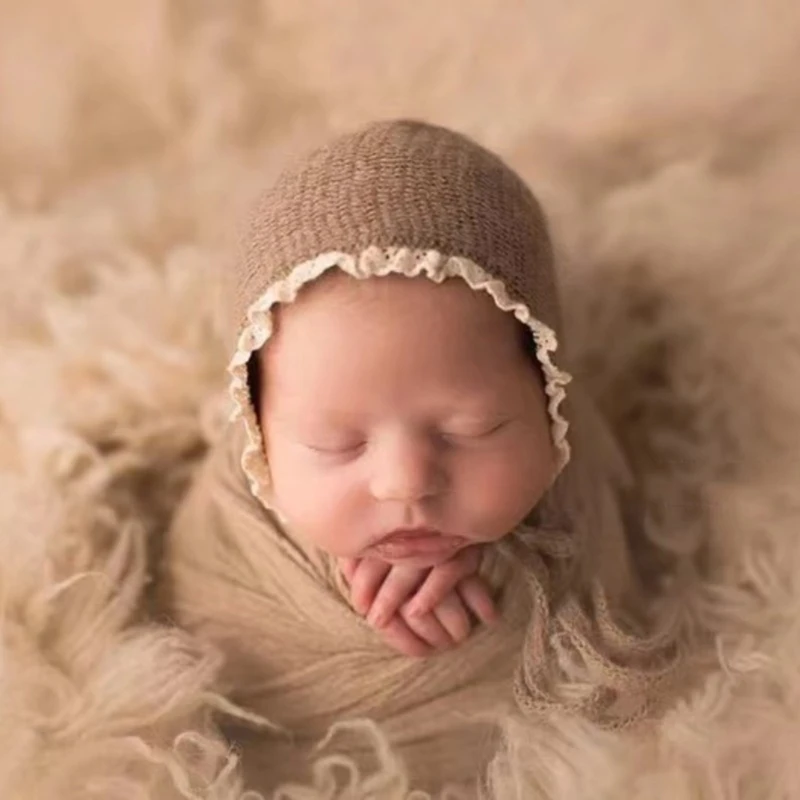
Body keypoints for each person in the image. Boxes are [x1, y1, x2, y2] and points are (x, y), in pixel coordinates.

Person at [159, 119, 677, 795]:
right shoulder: (232, 525)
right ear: (257, 432)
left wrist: (512, 578)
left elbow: (612, 609)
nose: (406, 483)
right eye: (334, 442)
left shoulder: (581, 470)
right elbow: (198, 625)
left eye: (472, 429)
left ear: (548, 393)